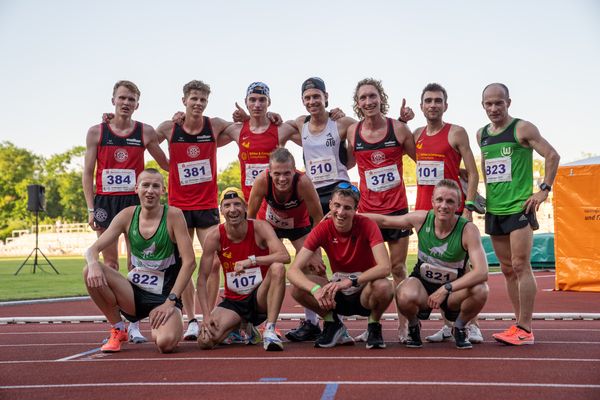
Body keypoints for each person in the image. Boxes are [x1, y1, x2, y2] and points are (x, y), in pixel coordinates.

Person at [83, 80, 169, 343]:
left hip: (134, 203)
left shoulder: (145, 132)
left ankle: (133, 324)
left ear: (137, 104)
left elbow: (166, 162)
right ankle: (118, 323)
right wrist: (90, 206)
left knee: (135, 263)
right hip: (106, 204)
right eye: (122, 98)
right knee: (109, 263)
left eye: (131, 99)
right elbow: (87, 172)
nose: (126, 103)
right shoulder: (97, 132)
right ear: (113, 101)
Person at [155, 80, 241, 341]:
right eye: (194, 98)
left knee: (214, 261)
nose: (198, 103)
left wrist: (249, 116)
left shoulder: (213, 125)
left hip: (205, 205)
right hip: (179, 207)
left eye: (203, 99)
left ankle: (211, 314)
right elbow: (147, 139)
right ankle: (191, 319)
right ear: (184, 100)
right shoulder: (170, 127)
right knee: (184, 263)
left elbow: (242, 127)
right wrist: (168, 166)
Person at [478, 83, 560, 345]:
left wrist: (544, 190)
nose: (494, 108)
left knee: (520, 265)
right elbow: (487, 167)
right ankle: (518, 324)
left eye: (498, 103)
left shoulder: (522, 128)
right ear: (483, 106)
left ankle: (525, 327)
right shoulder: (481, 134)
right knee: (506, 269)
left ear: (508, 103)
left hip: (519, 208)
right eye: (489, 104)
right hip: (495, 209)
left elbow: (552, 155)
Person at [365, 179, 489, 349]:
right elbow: (384, 221)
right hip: (422, 285)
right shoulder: (421, 218)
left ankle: (460, 327)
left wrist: (446, 289)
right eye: (439, 200)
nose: (443, 206)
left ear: (458, 205)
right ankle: (414, 325)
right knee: (402, 292)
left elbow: (482, 272)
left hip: (453, 290)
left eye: (450, 201)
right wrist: (352, 215)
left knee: (481, 289)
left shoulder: (468, 230)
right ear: (432, 202)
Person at [83, 168, 196, 353]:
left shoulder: (174, 216)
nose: (150, 190)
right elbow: (92, 250)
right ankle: (119, 329)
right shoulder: (127, 215)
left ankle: (167, 320)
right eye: (145, 185)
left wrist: (170, 302)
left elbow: (190, 262)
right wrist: (93, 263)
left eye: (155, 186)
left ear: (163, 190)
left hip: (164, 297)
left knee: (165, 343)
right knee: (88, 271)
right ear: (136, 188)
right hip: (133, 295)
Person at [412, 83, 483, 344]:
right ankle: (446, 325)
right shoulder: (417, 133)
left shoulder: (457, 133)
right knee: (436, 266)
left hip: (453, 210)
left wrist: (469, 205)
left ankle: (472, 324)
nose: (433, 105)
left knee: (464, 267)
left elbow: (473, 173)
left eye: (438, 101)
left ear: (445, 105)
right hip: (425, 209)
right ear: (422, 106)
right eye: (428, 100)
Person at [346, 78, 416, 342]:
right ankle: (373, 323)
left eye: (372, 96)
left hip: (397, 211)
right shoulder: (353, 132)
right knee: (371, 270)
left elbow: (422, 160)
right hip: (367, 213)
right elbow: (348, 163)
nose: (368, 102)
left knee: (398, 268)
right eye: (363, 98)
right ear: (358, 103)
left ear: (381, 98)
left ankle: (405, 325)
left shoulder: (398, 129)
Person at [287, 183, 394, 349]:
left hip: (364, 291)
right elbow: (293, 271)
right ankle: (333, 324)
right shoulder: (322, 228)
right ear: (330, 205)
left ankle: (374, 324)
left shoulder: (367, 225)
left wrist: (351, 280)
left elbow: (385, 267)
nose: (341, 212)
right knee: (298, 288)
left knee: (385, 286)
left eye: (347, 208)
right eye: (337, 205)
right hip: (336, 294)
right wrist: (315, 290)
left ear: (355, 210)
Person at [196, 187, 290, 351]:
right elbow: (202, 279)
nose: (233, 210)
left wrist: (251, 261)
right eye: (227, 205)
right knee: (205, 341)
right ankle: (242, 326)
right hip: (234, 302)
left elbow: (284, 256)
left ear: (245, 207)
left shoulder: (260, 227)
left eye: (237, 204)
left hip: (260, 297)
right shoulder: (214, 237)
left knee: (278, 268)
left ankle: (269, 330)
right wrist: (206, 315)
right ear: (221, 210)